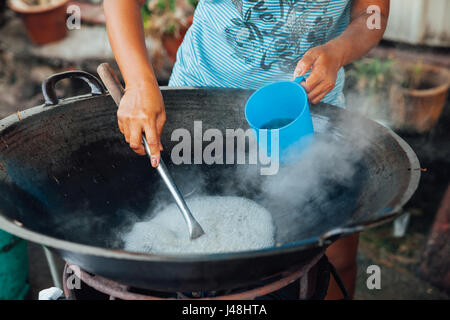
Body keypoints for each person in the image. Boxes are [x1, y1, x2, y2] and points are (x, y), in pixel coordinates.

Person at [103, 0, 389, 299]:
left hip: (306, 113)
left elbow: (373, 13)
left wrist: (338, 52)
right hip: (202, 109)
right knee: (191, 272)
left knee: (337, 257)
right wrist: (138, 83)